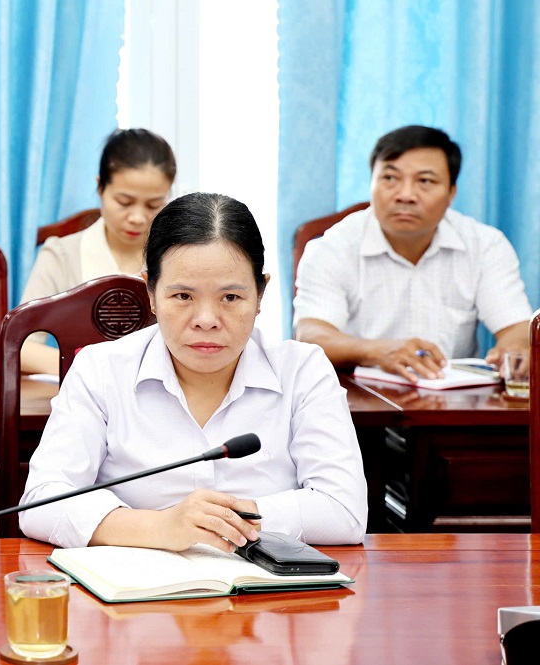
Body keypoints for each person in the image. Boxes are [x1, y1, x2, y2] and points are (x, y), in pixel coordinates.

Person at [19, 192, 367, 550]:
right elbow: (41, 501)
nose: (206, 320)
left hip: (267, 584)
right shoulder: (101, 370)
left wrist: (222, 519)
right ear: (151, 293)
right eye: (183, 296)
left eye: (230, 298)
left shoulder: (303, 371)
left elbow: (345, 511)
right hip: (136, 579)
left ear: (260, 294)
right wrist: (161, 527)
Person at [294, 125, 531, 382]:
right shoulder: (332, 248)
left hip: (455, 398)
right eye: (390, 178)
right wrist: (377, 352)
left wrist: (514, 350)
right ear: (371, 183)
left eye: (425, 181)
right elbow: (311, 335)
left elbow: (516, 328)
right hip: (357, 398)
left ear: (451, 193)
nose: (405, 195)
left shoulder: (485, 246)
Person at [18, 128, 176, 374]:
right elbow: (22, 346)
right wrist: (95, 370)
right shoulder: (61, 255)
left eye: (153, 205)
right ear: (100, 187)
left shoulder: (177, 258)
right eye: (124, 202)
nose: (137, 218)